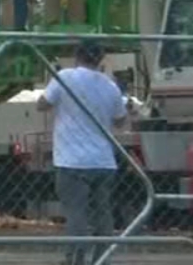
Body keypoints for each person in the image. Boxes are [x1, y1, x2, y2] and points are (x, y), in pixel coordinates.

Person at [38, 40, 129, 265]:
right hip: (103, 161)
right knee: (103, 213)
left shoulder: (65, 78)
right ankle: (102, 258)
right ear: (100, 59)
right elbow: (120, 120)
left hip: (71, 161)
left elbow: (42, 104)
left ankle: (76, 258)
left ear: (77, 56)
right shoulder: (110, 86)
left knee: (76, 212)